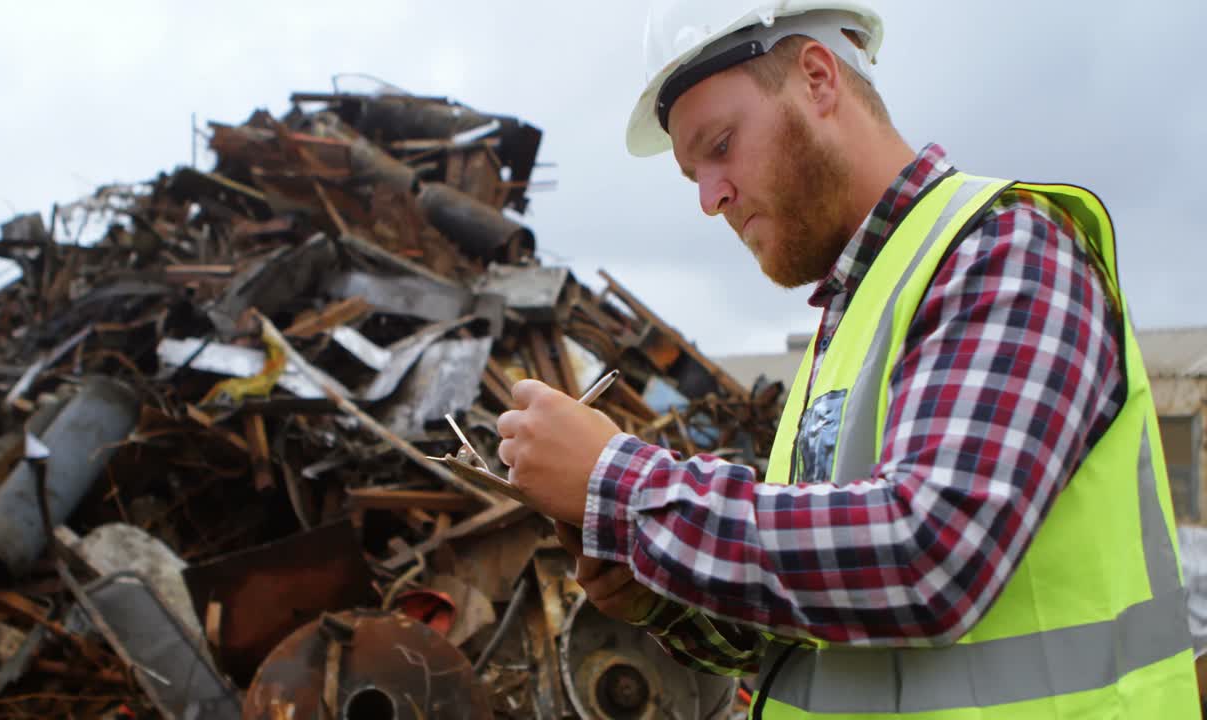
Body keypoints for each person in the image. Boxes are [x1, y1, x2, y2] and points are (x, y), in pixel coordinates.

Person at [495, 1, 1199, 716]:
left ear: (817, 78)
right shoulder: (849, 325)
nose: (711, 198)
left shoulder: (1008, 253)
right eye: (693, 175)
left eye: (721, 145)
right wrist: (657, 591)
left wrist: (621, 486)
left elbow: (930, 558)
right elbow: (814, 630)